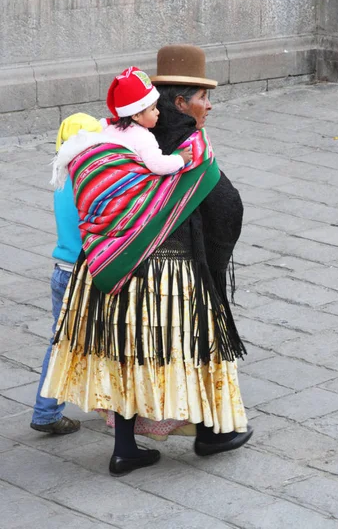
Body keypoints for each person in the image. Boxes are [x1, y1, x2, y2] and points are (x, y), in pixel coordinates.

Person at [42, 44, 252, 477]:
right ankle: (210, 432)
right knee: (190, 350)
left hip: (109, 265)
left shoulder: (118, 132)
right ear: (180, 101)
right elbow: (226, 208)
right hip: (167, 273)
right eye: (203, 98)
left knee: (124, 354)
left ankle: (124, 447)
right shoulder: (188, 146)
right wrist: (210, 266)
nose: (209, 106)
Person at [30, 113, 103, 434]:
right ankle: (118, 409)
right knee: (108, 339)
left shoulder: (61, 178)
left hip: (62, 271)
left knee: (61, 343)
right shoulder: (91, 182)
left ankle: (47, 411)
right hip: (85, 276)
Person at [102, 66, 193, 173]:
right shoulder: (142, 137)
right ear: (136, 115)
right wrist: (180, 159)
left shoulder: (109, 127)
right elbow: (158, 165)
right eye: (153, 109)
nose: (158, 112)